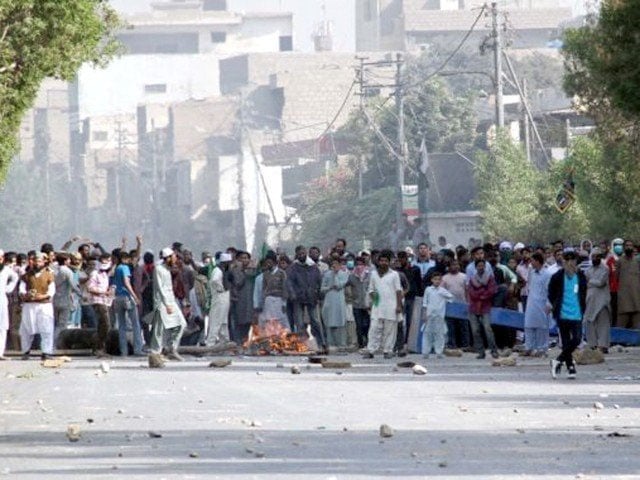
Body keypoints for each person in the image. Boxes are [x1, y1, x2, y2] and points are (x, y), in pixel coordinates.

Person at [548, 251, 587, 379]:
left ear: (576, 261)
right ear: (563, 261)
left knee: (576, 339)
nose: (570, 262)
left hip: (576, 313)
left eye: (572, 260)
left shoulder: (580, 276)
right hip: (562, 313)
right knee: (565, 341)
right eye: (567, 260)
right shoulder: (557, 276)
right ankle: (570, 367)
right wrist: (555, 305)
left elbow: (583, 292)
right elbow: (551, 293)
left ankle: (557, 361)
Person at [148, 248, 187, 367]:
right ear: (168, 257)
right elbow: (160, 288)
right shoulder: (158, 269)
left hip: (171, 301)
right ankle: (155, 354)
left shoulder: (167, 269)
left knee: (181, 324)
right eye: (174, 257)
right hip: (162, 303)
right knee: (159, 329)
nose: (175, 260)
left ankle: (171, 349)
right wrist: (166, 304)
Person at [363, 250, 403, 359]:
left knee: (389, 330)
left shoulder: (394, 275)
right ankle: (371, 350)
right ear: (378, 262)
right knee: (374, 329)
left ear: (389, 262)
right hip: (377, 306)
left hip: (391, 306)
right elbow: (371, 289)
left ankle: (388, 351)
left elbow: (398, 291)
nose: (383, 263)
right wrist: (373, 300)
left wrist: (399, 306)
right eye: (382, 261)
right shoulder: (374, 274)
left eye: (386, 261)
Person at [287, 246, 327, 353]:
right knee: (299, 323)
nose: (302, 256)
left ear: (306, 253)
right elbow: (289, 282)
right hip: (298, 298)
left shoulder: (313, 266)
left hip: (311, 297)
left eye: (303, 253)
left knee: (316, 321)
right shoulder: (293, 267)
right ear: (297, 255)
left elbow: (319, 281)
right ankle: (302, 345)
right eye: (299, 254)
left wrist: (318, 293)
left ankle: (321, 344)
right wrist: (292, 294)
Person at [19, 252, 56, 360]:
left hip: (44, 306)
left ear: (44, 262)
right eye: (35, 261)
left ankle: (46, 352)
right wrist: (27, 295)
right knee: (26, 328)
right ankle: (25, 351)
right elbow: (21, 290)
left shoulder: (49, 275)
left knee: (46, 328)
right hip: (29, 306)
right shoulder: (26, 276)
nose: (37, 263)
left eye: (39, 261)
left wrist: (41, 297)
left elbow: (51, 292)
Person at [467, 259, 499, 359]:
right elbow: (471, 292)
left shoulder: (489, 278)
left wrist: (481, 295)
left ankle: (494, 350)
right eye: (479, 266)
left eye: (482, 266)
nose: (481, 268)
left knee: (487, 329)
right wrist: (482, 293)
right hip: (474, 307)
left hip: (485, 307)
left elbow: (492, 291)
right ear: (476, 267)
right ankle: (481, 352)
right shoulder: (472, 279)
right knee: (475, 330)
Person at [113, 251, 143, 357]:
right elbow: (126, 282)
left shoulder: (116, 268)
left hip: (118, 297)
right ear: (124, 259)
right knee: (135, 324)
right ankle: (138, 349)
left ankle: (123, 351)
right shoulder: (125, 268)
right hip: (126, 297)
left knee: (121, 326)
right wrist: (135, 296)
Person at [522, 252, 552, 357]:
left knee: (541, 327)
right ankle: (529, 347)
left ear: (538, 261)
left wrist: (549, 304)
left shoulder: (547, 274)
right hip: (531, 302)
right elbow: (529, 285)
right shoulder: (532, 272)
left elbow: (550, 290)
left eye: (532, 260)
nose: (531, 263)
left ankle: (542, 348)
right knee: (529, 325)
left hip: (542, 302)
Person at [584, 248, 611, 353]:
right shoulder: (588, 270)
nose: (596, 258)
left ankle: (603, 346)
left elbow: (601, 283)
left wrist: (590, 281)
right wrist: (591, 282)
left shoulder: (605, 268)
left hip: (602, 300)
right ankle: (592, 345)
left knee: (603, 323)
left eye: (598, 256)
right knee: (590, 321)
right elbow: (586, 282)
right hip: (590, 299)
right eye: (594, 256)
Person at [421, 271, 453, 358]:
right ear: (432, 280)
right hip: (429, 315)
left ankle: (439, 352)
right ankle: (425, 352)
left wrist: (445, 299)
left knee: (439, 334)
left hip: (439, 315)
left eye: (439, 279)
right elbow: (425, 303)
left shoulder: (443, 291)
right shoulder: (428, 290)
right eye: (435, 279)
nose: (437, 281)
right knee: (427, 333)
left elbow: (451, 298)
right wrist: (424, 314)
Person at [441, 259, 470, 349]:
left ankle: (465, 345)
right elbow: (442, 291)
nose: (455, 266)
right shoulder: (445, 278)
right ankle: (452, 344)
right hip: (450, 305)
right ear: (449, 267)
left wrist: (468, 302)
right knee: (451, 326)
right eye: (453, 265)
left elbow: (467, 290)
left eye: (457, 264)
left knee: (464, 326)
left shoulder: (464, 276)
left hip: (462, 304)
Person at [321, 258, 349, 347]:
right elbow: (322, 288)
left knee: (340, 321)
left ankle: (342, 344)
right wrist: (329, 287)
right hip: (329, 300)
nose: (334, 266)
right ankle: (330, 344)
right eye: (333, 264)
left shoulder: (344, 274)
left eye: (336, 264)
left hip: (339, 301)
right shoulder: (326, 274)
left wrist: (335, 274)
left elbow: (338, 285)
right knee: (329, 321)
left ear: (340, 265)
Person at [206, 252, 232, 347]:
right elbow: (214, 280)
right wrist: (220, 288)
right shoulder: (217, 270)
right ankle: (210, 344)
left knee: (223, 322)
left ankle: (225, 343)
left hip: (224, 298)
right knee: (216, 321)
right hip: (219, 298)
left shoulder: (223, 271)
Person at [615, 239, 640, 329]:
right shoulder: (619, 261)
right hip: (624, 298)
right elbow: (616, 277)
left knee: (637, 328)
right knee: (620, 327)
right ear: (623, 247)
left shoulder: (637, 261)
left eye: (630, 245)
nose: (629, 247)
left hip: (636, 298)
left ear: (633, 248)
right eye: (627, 245)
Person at [0, 249, 19, 360]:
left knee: (2, 327)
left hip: (2, 300)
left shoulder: (6, 269)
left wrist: (9, 288)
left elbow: (15, 278)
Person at [349, 256, 371, 349]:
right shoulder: (352, 276)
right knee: (358, 325)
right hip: (356, 304)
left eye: (361, 264)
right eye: (357, 264)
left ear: (364, 265)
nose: (359, 267)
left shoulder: (370, 275)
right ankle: (360, 344)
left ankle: (368, 342)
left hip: (368, 305)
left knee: (367, 325)